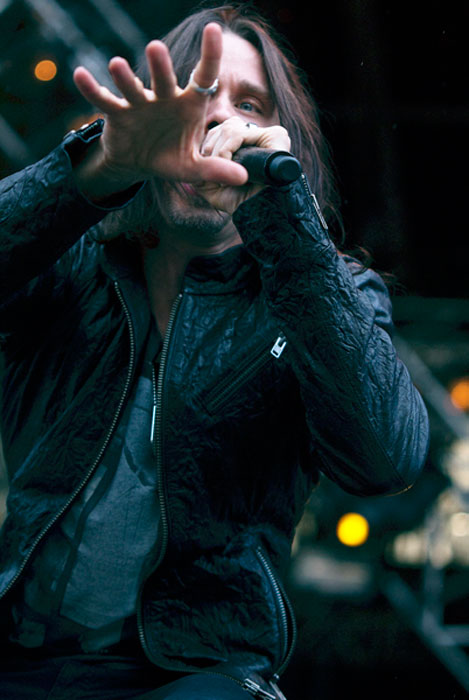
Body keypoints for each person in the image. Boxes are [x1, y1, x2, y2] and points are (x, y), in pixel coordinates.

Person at [0, 4, 429, 699]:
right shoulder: (72, 263)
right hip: (21, 655)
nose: (219, 117)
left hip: (198, 669)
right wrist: (101, 164)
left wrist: (280, 212)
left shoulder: (328, 293)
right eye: (196, 97)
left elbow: (385, 460)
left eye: (249, 104)